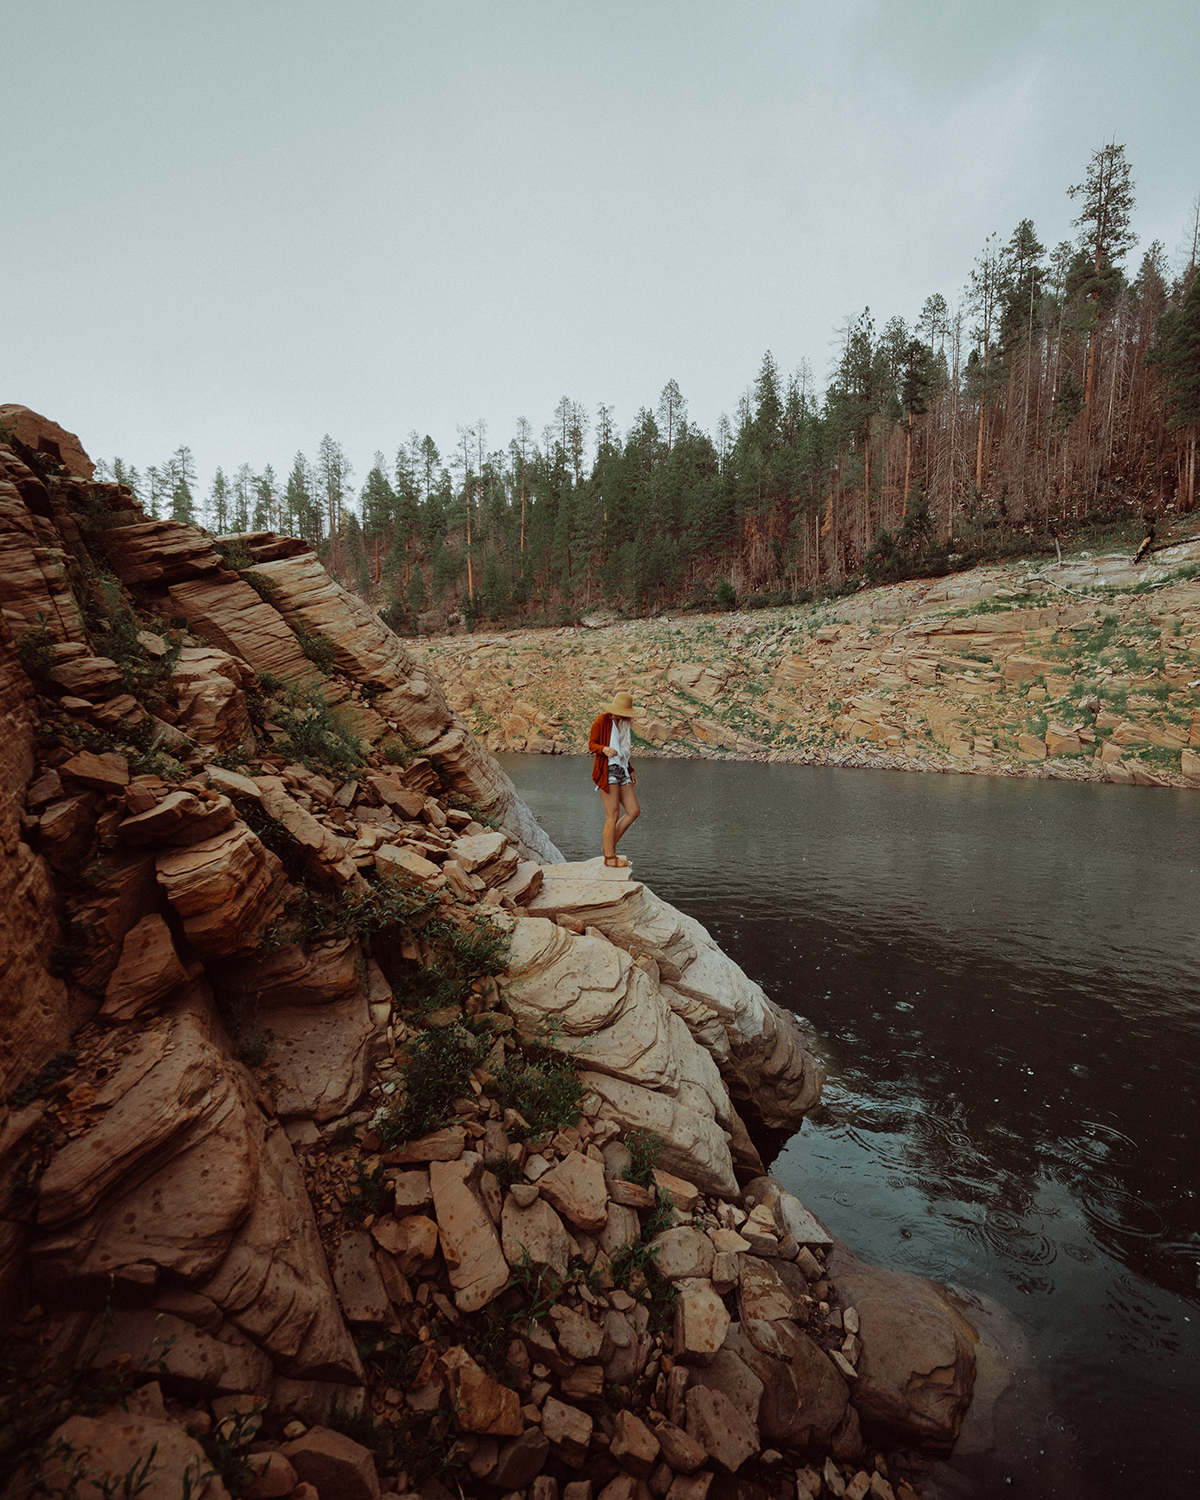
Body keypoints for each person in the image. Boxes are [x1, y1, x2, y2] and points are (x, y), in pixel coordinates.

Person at [588, 690, 640, 868]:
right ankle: (610, 857)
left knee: (633, 811)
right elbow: (592, 744)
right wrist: (603, 749)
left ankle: (607, 845)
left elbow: (623, 751)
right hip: (607, 769)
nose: (625, 715)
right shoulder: (602, 720)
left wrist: (630, 769)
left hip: (622, 770)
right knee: (613, 814)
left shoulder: (624, 724)